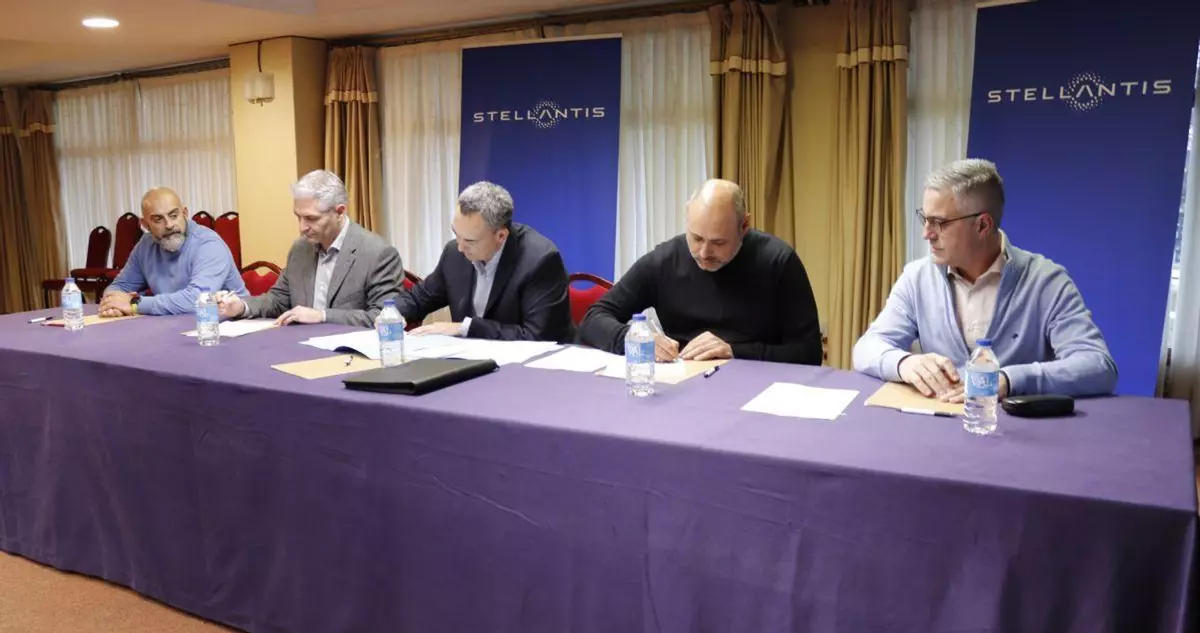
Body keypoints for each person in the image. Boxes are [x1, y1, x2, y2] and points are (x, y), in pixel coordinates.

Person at [852, 158, 1117, 400]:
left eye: (939, 222)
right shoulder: (917, 277)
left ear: (982, 225)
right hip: (937, 426)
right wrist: (904, 363)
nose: (927, 233)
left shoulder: (1046, 282)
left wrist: (1009, 380)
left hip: (1015, 430)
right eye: (925, 219)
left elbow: (1098, 366)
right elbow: (866, 348)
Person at [578, 179, 823, 364]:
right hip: (681, 387)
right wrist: (635, 339)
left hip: (756, 387)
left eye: (718, 242)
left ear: (744, 225)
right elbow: (594, 318)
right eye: (696, 238)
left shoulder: (778, 262)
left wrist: (735, 351)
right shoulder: (665, 260)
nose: (704, 253)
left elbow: (808, 352)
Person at [217, 170, 403, 328]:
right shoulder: (300, 249)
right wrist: (241, 306)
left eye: (311, 218)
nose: (302, 227)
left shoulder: (377, 253)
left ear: (339, 212)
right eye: (298, 217)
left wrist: (322, 315)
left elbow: (385, 317)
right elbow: (278, 300)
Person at [393, 181, 573, 342]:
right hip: (471, 361)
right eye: (456, 234)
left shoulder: (539, 260)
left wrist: (466, 328)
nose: (460, 247)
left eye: (470, 241)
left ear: (501, 236)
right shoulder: (454, 254)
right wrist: (391, 314)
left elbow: (537, 337)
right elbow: (419, 298)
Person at [99, 187, 246, 317]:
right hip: (175, 325)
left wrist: (134, 303)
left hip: (225, 327)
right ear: (145, 225)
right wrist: (113, 304)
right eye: (158, 219)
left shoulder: (208, 244)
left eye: (174, 215)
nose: (169, 225)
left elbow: (197, 299)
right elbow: (119, 286)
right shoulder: (146, 245)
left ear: (185, 213)